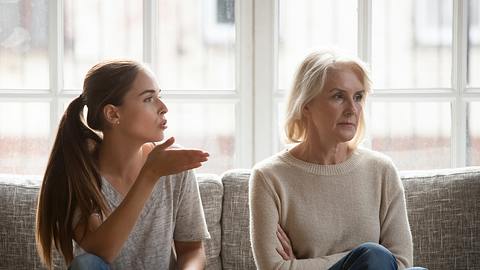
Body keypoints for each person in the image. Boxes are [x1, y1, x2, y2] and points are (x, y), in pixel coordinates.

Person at [249, 50, 426, 270]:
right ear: (306, 105)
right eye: (338, 96)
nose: (352, 109)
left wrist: (298, 265)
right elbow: (273, 268)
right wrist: (362, 259)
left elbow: (401, 263)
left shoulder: (381, 170)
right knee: (374, 255)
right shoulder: (269, 177)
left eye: (358, 97)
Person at [35, 60, 211, 270]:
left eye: (159, 97)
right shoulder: (77, 175)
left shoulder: (174, 165)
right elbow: (99, 254)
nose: (163, 108)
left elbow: (192, 250)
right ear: (113, 114)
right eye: (149, 98)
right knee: (86, 263)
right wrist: (150, 175)